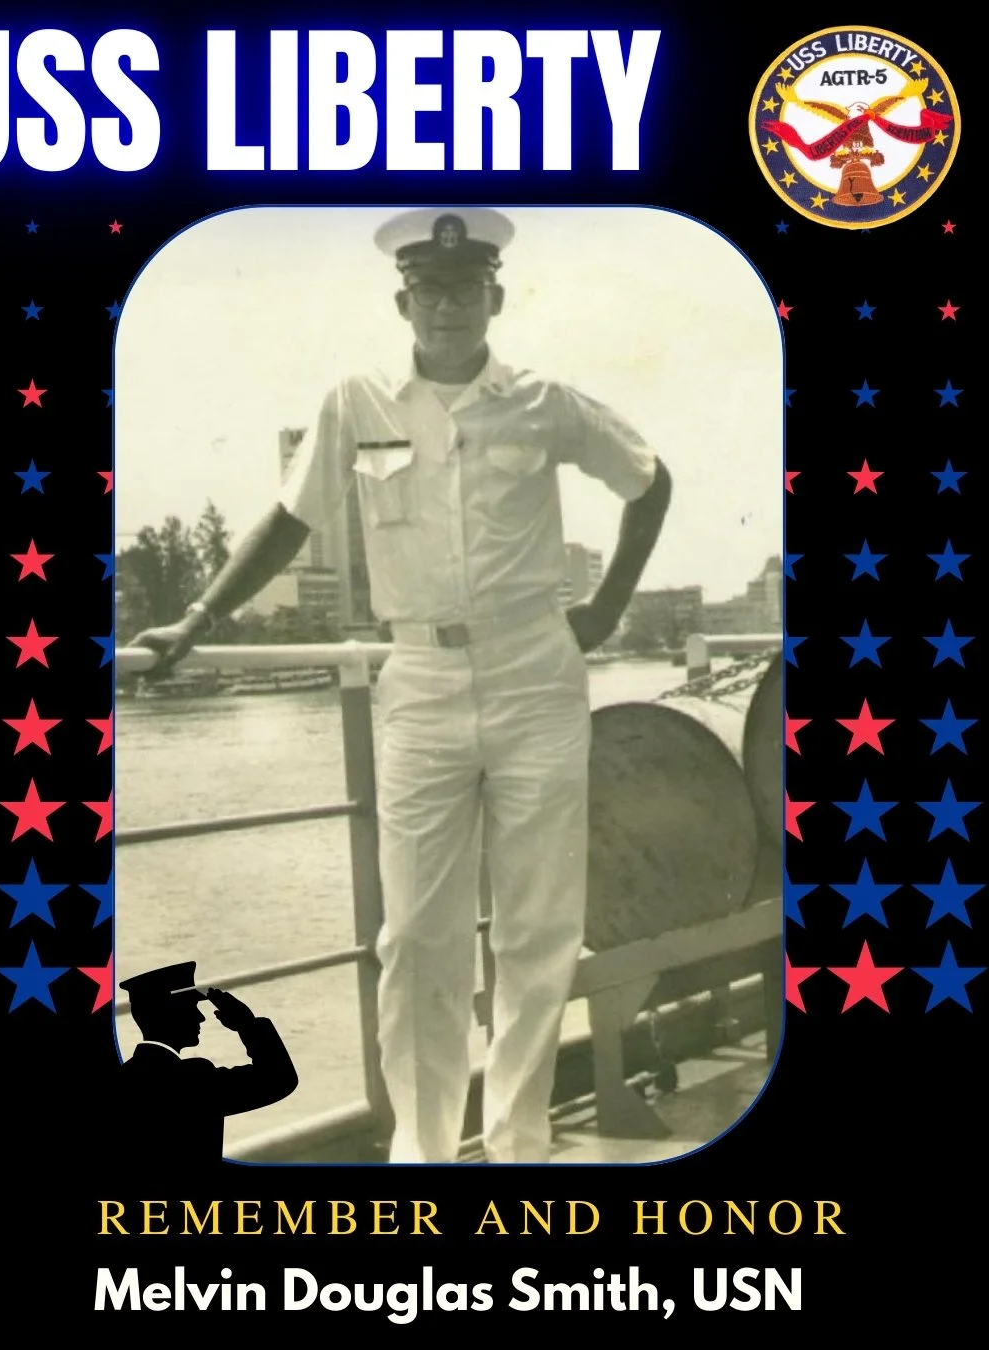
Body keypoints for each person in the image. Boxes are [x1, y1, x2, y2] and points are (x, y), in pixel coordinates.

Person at [131, 207, 672, 1164]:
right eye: (431, 290)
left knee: (538, 932)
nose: (449, 305)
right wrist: (197, 620)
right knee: (416, 937)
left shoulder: (544, 401)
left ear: (495, 296)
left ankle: (516, 1148)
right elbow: (290, 521)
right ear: (403, 300)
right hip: (419, 679)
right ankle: (423, 1158)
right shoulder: (358, 400)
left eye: (468, 289)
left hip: (534, 674)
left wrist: (604, 611)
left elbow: (648, 481)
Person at [116, 961, 298, 1169]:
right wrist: (247, 1024)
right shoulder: (191, 1079)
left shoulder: (123, 1078)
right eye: (191, 1007)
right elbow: (278, 1078)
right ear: (169, 1015)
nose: (201, 1017)